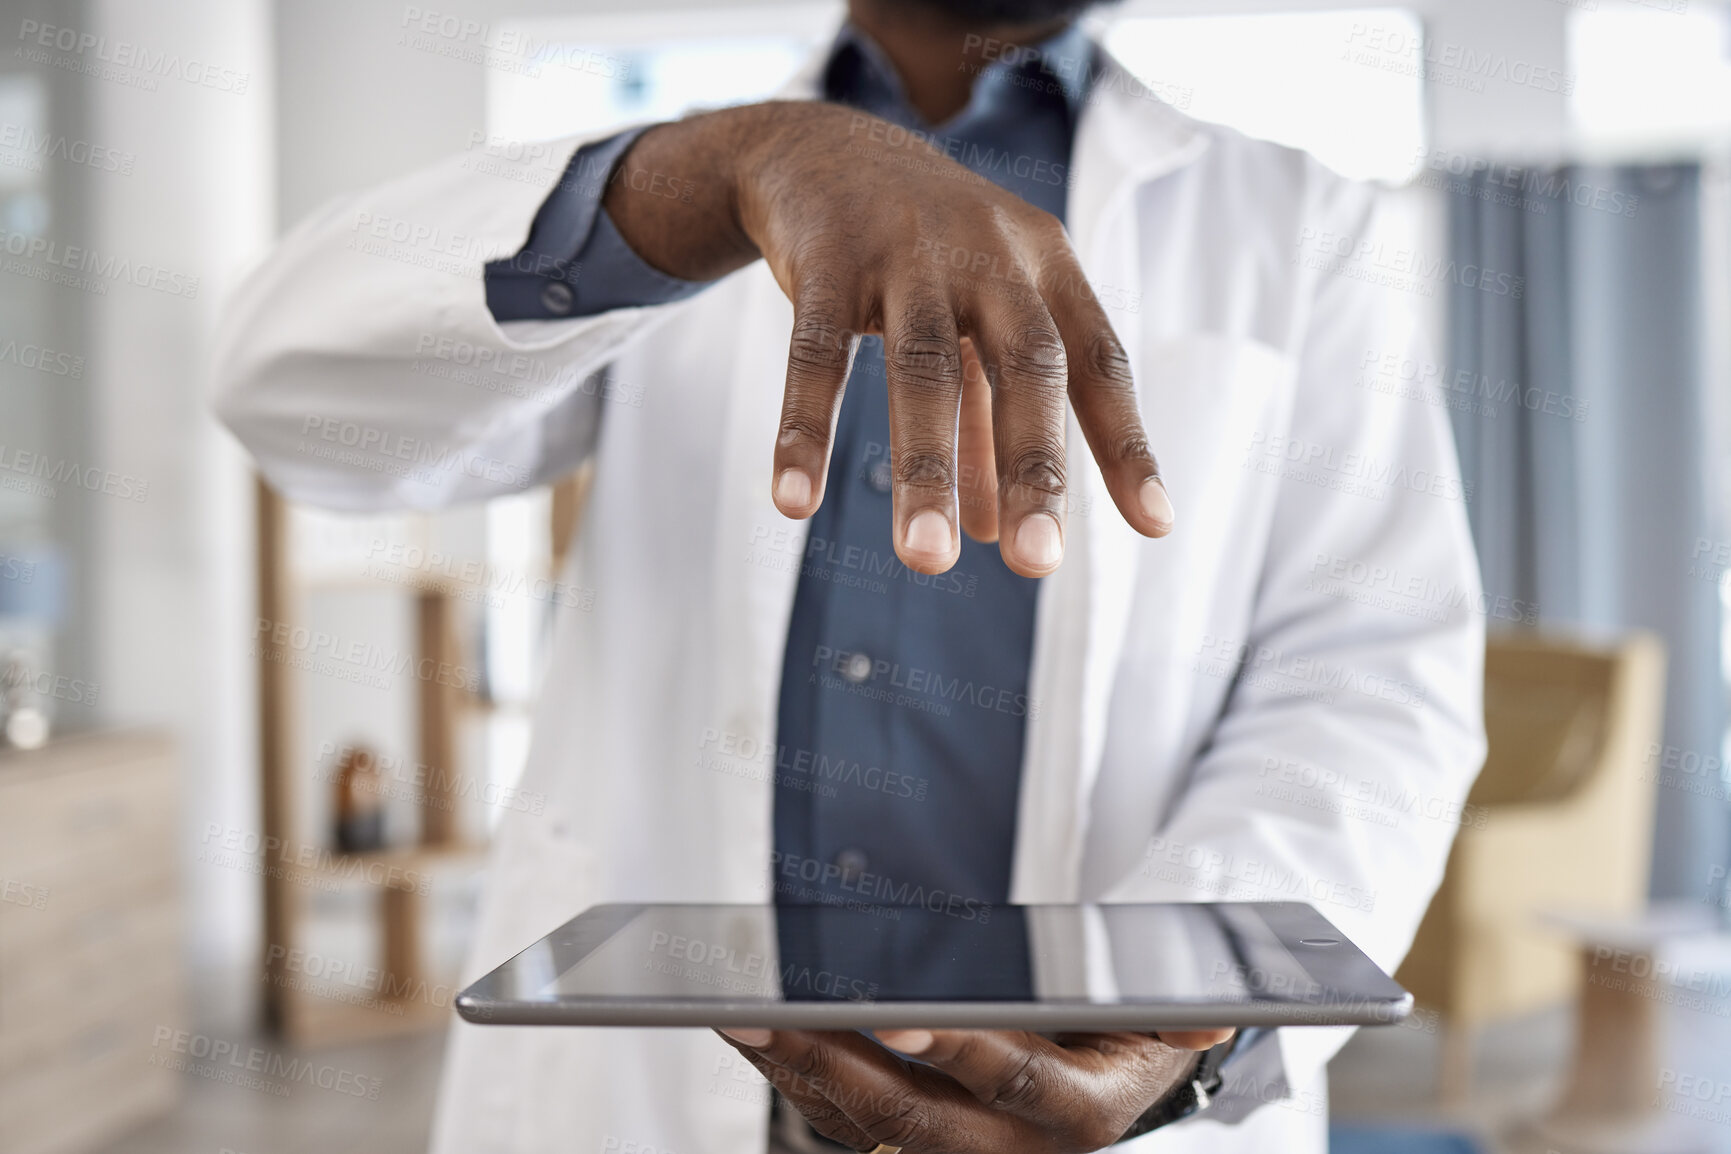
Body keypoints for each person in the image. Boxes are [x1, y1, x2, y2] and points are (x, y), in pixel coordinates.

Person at [214, 0, 1486, 1149]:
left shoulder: (1298, 226)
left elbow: (1371, 682)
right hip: (663, 1097)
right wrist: (723, 173)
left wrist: (1187, 1022)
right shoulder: (669, 183)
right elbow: (286, 389)